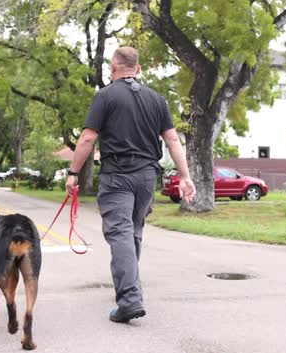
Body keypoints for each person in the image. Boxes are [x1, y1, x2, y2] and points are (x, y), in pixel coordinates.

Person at [65, 46, 196, 323]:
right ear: (138, 69)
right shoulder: (157, 99)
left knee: (121, 233)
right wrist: (185, 177)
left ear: (113, 68)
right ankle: (130, 286)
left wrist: (73, 173)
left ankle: (129, 300)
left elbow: (88, 139)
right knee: (133, 231)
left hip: (118, 175)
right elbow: (173, 140)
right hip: (148, 176)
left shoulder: (105, 96)